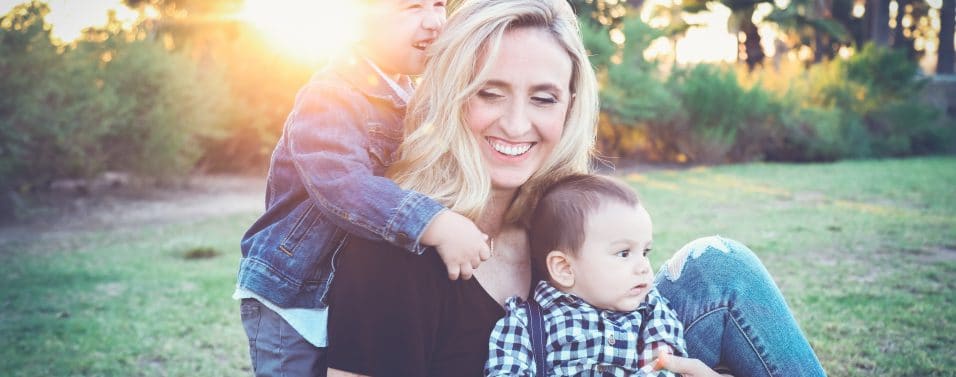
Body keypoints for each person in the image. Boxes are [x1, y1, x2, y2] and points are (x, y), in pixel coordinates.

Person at [326, 0, 827, 376]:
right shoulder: (394, 256)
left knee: (720, 265)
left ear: (570, 107)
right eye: (489, 92)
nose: (517, 123)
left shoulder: (566, 215)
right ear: (451, 95)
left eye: (543, 98)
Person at [234, 1, 493, 375]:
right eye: (413, 7)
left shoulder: (410, 96)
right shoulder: (331, 94)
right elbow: (342, 185)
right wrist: (435, 222)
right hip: (294, 293)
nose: (435, 22)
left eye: (440, 5)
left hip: (345, 292)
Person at [485, 174, 690, 376]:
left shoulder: (651, 307)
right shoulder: (526, 322)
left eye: (645, 252)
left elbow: (665, 363)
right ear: (564, 268)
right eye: (624, 253)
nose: (644, 267)